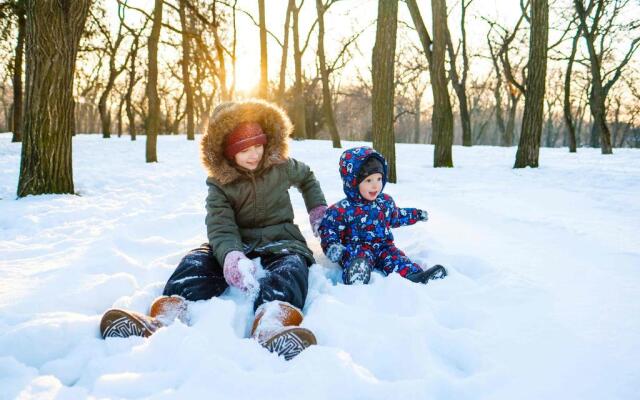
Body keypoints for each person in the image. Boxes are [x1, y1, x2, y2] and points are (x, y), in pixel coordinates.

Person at [100, 99, 328, 361]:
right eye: (245, 150)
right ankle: (166, 316)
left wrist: (317, 210)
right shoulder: (220, 183)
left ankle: (271, 324)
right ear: (229, 153)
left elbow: (307, 177)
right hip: (237, 242)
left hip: (281, 239)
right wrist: (230, 256)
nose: (254, 154)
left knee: (291, 268)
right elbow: (220, 225)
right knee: (196, 261)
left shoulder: (281, 166)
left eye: (258, 146)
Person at [318, 146, 447, 285]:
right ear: (353, 182)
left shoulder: (384, 202)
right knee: (356, 256)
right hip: (357, 248)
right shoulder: (341, 209)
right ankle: (357, 273)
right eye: (368, 180)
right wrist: (332, 246)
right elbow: (328, 229)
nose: (375, 185)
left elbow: (396, 216)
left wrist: (416, 214)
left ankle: (415, 275)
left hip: (384, 247)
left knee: (396, 258)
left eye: (379, 179)